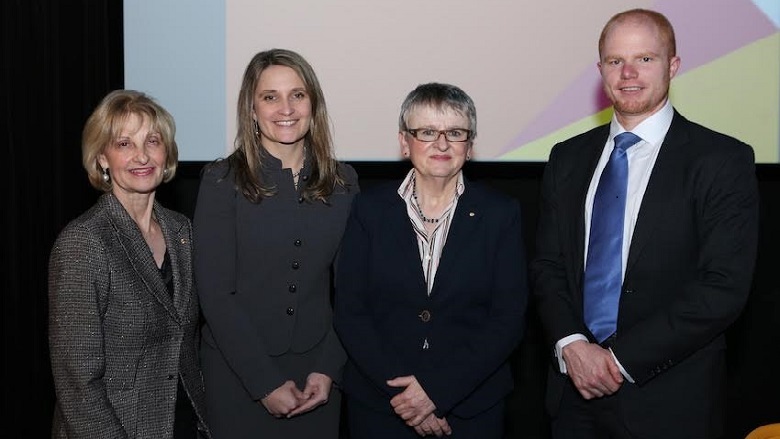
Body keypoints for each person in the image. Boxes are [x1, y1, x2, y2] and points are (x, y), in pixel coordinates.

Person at [532, 8, 759, 439]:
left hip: (670, 402)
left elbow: (723, 286)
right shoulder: (567, 157)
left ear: (673, 65)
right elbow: (548, 266)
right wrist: (572, 346)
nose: (628, 73)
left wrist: (617, 360)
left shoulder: (721, 160)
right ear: (600, 70)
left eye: (646, 59)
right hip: (572, 397)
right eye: (615, 61)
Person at [334, 82, 528, 438]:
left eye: (454, 132)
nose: (441, 144)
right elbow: (350, 311)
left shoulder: (501, 214)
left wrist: (437, 392)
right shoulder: (368, 210)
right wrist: (408, 397)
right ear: (404, 142)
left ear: (469, 146)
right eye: (426, 132)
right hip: (382, 407)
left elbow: (508, 318)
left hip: (470, 409)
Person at [193, 48, 359, 438]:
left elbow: (353, 290)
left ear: (313, 104)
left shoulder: (343, 183)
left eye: (297, 95)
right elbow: (215, 294)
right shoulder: (222, 181)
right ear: (251, 108)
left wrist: (329, 368)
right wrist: (263, 382)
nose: (285, 108)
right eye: (270, 97)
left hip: (317, 376)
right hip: (239, 375)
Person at [48, 90, 211, 438]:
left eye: (152, 140)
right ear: (102, 159)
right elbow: (77, 383)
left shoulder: (181, 230)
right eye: (124, 143)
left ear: (166, 152)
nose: (142, 155)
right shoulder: (84, 242)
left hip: (182, 424)